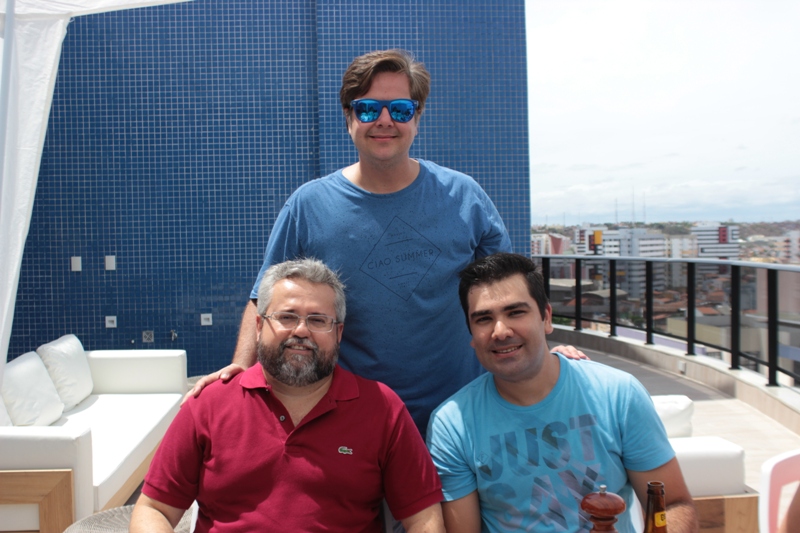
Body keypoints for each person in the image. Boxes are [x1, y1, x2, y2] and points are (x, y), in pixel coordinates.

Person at [187, 48, 585, 435]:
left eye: (400, 110)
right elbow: (264, 297)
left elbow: (511, 294)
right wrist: (242, 368)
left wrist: (543, 353)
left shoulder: (464, 197)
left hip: (463, 414)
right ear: (349, 118)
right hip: (353, 420)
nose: (384, 121)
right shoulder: (308, 205)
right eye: (367, 109)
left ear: (417, 117)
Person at [131, 258, 444, 532]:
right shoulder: (209, 405)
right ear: (258, 327)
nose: (301, 331)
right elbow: (154, 509)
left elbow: (424, 519)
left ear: (338, 333)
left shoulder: (381, 409)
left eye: (318, 320)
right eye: (287, 317)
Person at [426, 253, 699, 533]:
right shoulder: (453, 425)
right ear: (471, 334)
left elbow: (674, 504)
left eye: (515, 312)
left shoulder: (618, 395)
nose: (501, 331)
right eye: (484, 319)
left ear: (546, 317)